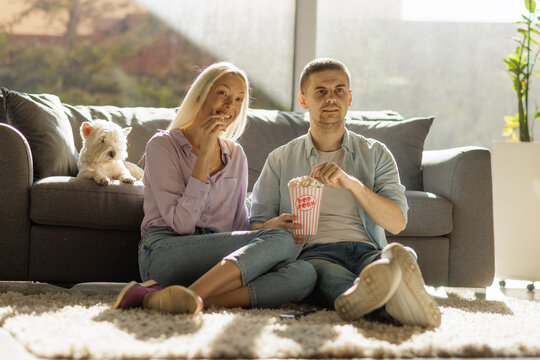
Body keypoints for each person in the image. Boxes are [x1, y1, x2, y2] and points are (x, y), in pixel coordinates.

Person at [250, 58, 441, 327]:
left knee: (400, 255)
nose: (331, 98)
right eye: (321, 91)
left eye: (339, 90)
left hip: (368, 250)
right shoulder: (280, 159)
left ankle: (385, 290)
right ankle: (389, 301)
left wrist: (353, 184)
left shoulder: (376, 154)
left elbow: (396, 223)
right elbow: (253, 225)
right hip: (316, 253)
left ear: (349, 98)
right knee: (327, 277)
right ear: (303, 100)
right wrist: (274, 225)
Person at [113, 62, 316, 314]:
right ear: (200, 96)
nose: (230, 104)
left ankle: (177, 298)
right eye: (222, 93)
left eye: (239, 98)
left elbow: (237, 228)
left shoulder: (236, 155)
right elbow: (181, 224)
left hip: (218, 263)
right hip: (167, 252)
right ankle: (192, 294)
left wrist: (265, 228)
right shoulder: (163, 145)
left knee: (304, 273)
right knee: (280, 243)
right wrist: (205, 152)